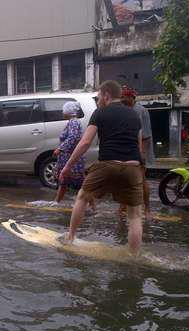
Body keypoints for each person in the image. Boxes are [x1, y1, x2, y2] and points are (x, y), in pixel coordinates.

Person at [60, 80, 144, 254]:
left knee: (82, 197)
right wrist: (140, 170)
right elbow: (139, 146)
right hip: (133, 166)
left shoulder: (100, 112)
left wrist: (67, 167)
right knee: (134, 214)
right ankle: (135, 255)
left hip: (108, 164)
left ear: (106, 95)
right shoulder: (135, 115)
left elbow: (85, 142)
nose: (98, 100)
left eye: (99, 96)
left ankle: (70, 237)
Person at [119, 86, 155, 219]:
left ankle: (147, 209)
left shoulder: (141, 111)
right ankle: (122, 208)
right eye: (121, 97)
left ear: (131, 97)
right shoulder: (123, 110)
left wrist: (142, 153)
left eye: (124, 97)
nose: (122, 99)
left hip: (139, 150)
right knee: (124, 180)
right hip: (125, 149)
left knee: (141, 180)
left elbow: (146, 136)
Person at [50, 101, 85, 206]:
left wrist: (60, 149)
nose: (62, 112)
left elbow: (73, 137)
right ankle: (56, 202)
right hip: (68, 158)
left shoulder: (73, 122)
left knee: (81, 183)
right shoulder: (72, 122)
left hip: (72, 158)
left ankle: (91, 205)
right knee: (64, 181)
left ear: (68, 112)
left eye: (63, 110)